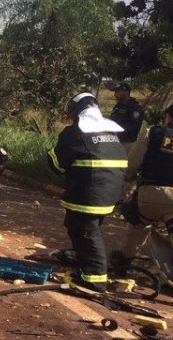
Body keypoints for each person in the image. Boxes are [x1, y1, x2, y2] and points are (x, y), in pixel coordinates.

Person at [48, 92, 127, 291]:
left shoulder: (74, 132)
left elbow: (58, 166)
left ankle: (94, 279)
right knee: (80, 227)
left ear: (75, 112)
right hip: (109, 192)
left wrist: (51, 153)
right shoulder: (110, 133)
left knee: (86, 232)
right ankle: (85, 266)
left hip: (89, 192)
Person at [117, 104, 173, 262]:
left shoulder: (153, 133)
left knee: (140, 223)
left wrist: (128, 180)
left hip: (150, 195)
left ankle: (125, 259)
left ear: (168, 117)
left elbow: (133, 163)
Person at [109, 82, 144, 148]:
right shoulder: (118, 106)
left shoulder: (135, 108)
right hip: (114, 141)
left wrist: (116, 128)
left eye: (117, 91)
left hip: (127, 144)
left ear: (126, 92)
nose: (115, 94)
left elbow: (134, 127)